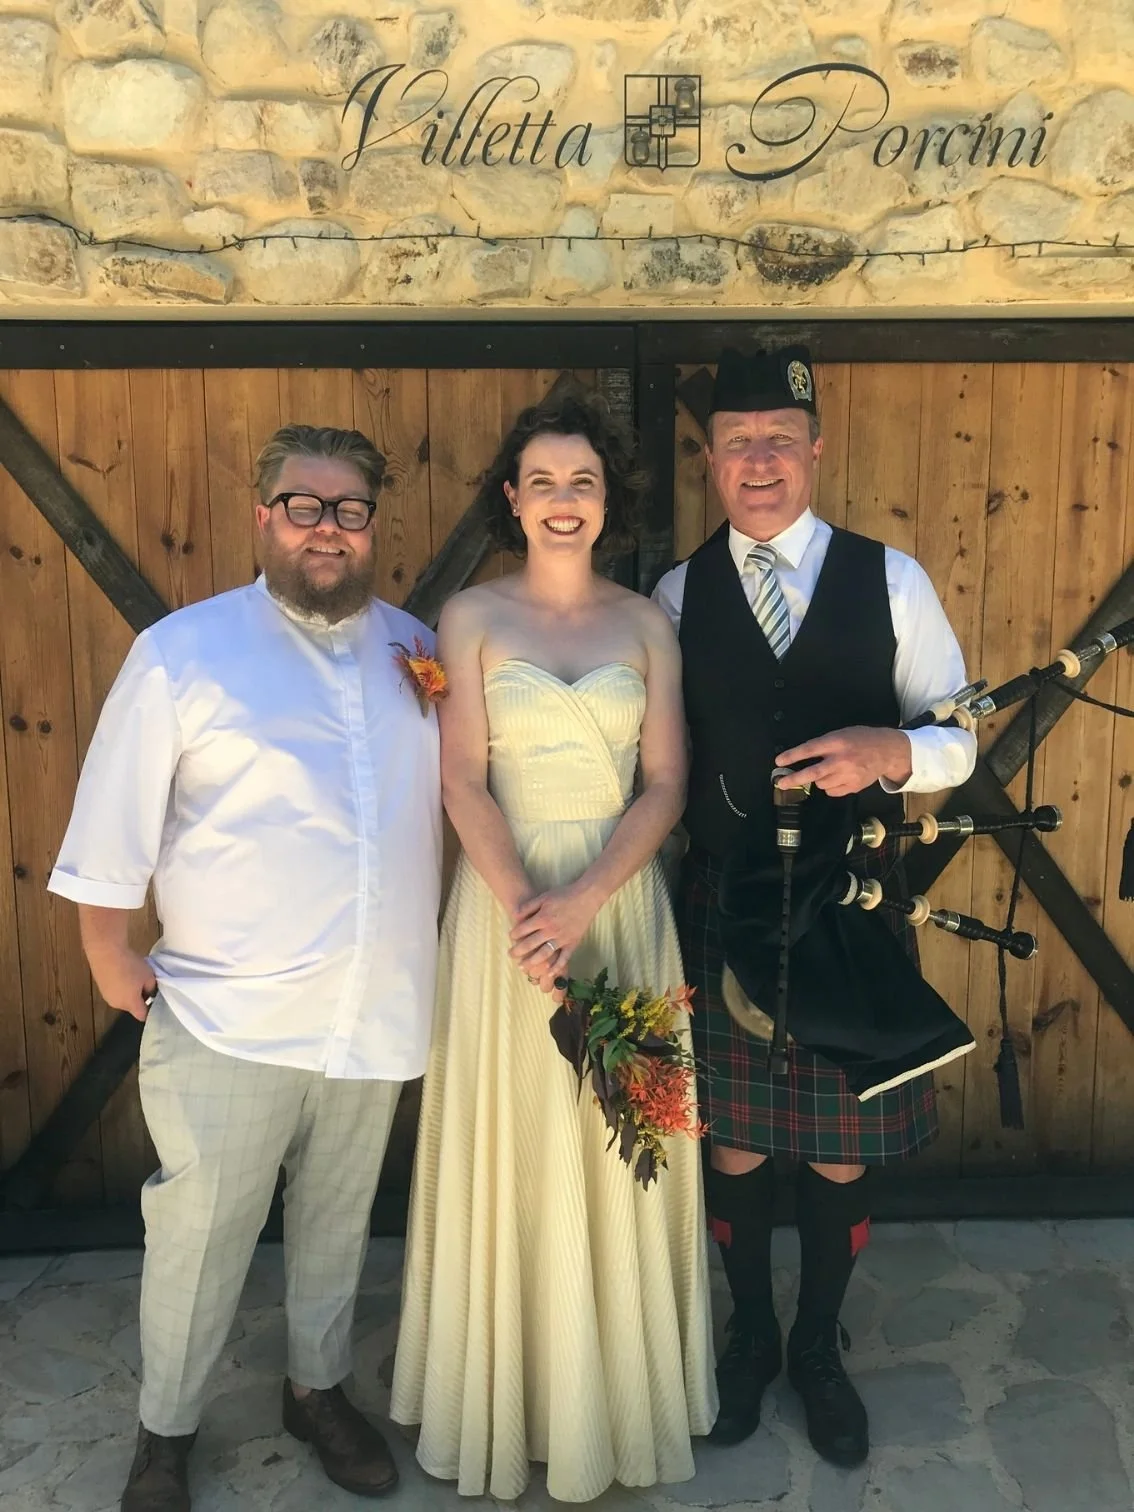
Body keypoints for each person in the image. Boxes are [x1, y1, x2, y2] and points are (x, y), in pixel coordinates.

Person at [48, 425, 443, 1512]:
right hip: (229, 1013)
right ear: (262, 516)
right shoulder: (184, 652)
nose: (326, 526)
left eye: (348, 508)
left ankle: (316, 1391)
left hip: (374, 1008)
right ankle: (165, 1430)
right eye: (301, 505)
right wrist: (103, 947)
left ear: (375, 523)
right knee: (198, 1231)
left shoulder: (416, 647)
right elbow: (112, 815)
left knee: (336, 1217)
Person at [653, 347, 977, 1469]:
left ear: (815, 450)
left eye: (778, 441)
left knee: (842, 1151)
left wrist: (892, 748)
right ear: (708, 460)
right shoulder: (676, 595)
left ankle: (816, 1346)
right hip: (727, 908)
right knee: (736, 1140)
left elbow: (960, 739)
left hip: (850, 910)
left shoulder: (893, 580)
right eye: (736, 442)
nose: (758, 461)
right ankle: (749, 1338)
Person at [390, 390, 716, 1502]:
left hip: (622, 905)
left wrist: (583, 903)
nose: (563, 501)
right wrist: (532, 906)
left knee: (630, 1131)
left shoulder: (645, 624)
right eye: (543, 482)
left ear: (606, 501)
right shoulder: (473, 617)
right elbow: (461, 779)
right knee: (518, 1133)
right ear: (512, 499)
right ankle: (510, 1396)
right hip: (502, 911)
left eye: (583, 482)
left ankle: (618, 1399)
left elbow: (666, 782)